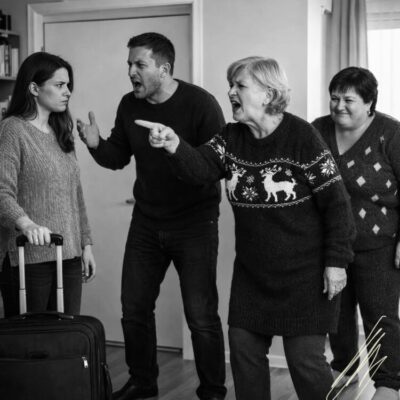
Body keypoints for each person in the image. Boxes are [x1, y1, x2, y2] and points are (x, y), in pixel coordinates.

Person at [136, 56, 356, 400]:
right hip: (253, 277)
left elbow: (338, 206)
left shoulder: (303, 137)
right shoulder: (231, 137)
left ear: (269, 93)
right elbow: (200, 169)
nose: (230, 92)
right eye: (231, 85)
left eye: (240, 85)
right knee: (243, 352)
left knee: (305, 363)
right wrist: (174, 145)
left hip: (305, 276)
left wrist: (337, 262)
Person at [76, 32, 227, 400]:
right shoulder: (130, 105)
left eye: (139, 64)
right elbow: (117, 157)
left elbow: (216, 167)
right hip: (147, 222)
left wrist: (175, 147)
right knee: (134, 308)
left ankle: (212, 391)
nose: (131, 71)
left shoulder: (201, 105)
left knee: (201, 316)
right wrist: (96, 144)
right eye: (129, 64)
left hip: (195, 224)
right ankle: (143, 383)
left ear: (164, 68)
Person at [313, 66, 400, 400]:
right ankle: (345, 368)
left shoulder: (390, 133)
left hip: (379, 243)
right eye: (335, 98)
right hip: (330, 243)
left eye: (348, 100)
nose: (339, 106)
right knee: (335, 312)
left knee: (380, 315)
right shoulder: (317, 130)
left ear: (369, 102)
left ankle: (388, 382)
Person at [0, 51, 96, 317]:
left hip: (69, 256)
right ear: (34, 88)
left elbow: (76, 195)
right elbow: (2, 192)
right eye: (60, 85)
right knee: (32, 338)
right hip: (28, 258)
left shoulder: (62, 132)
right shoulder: (12, 130)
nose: (68, 92)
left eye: (68, 85)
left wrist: (86, 245)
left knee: (67, 336)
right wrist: (27, 224)